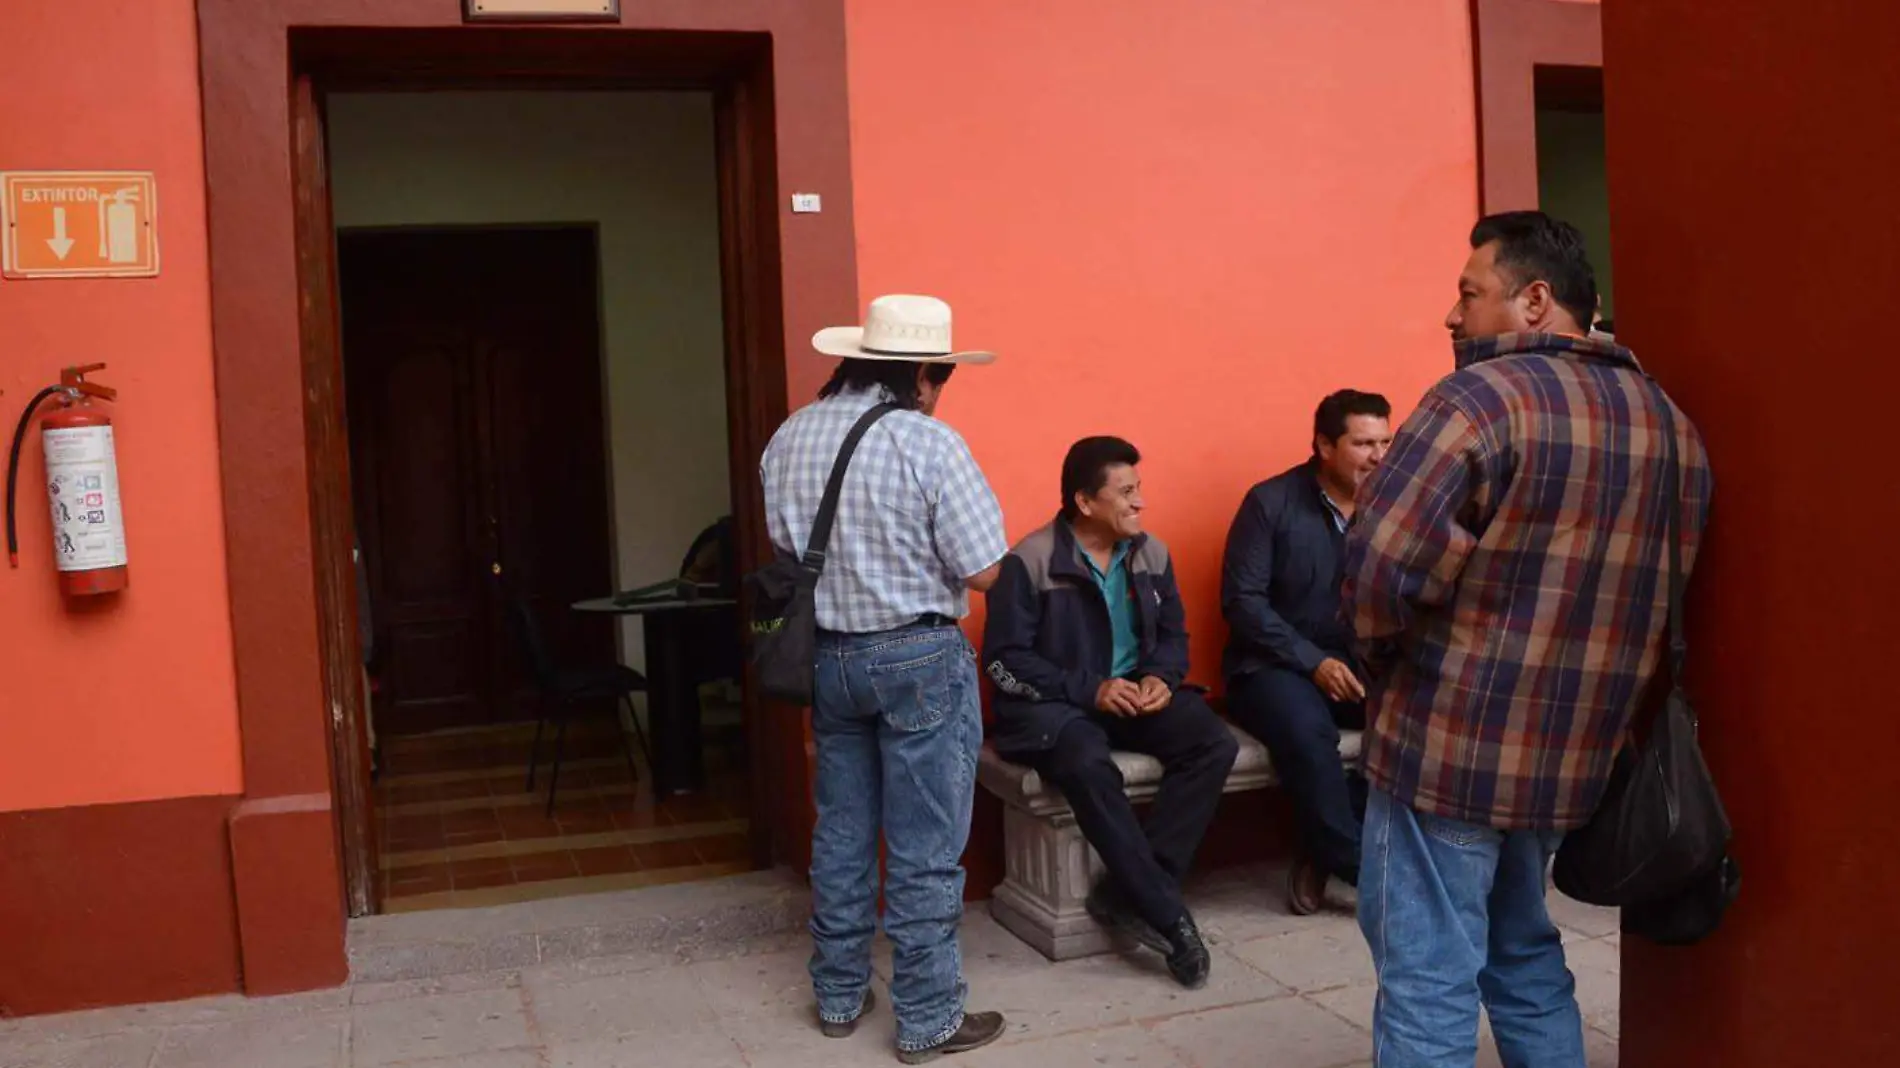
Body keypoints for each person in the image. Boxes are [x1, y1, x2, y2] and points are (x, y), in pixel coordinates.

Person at [1343, 211, 1711, 1068]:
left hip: (1450, 749)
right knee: (1525, 953)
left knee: (1428, 976)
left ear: (1535, 300)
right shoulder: (1670, 426)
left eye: (1469, 293)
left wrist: (1386, 663)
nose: (1452, 315)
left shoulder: (1477, 400)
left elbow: (1378, 572)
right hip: (1573, 758)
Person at [761, 294, 1010, 1064]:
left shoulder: (791, 436)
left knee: (840, 829)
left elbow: (786, 546)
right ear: (925, 375)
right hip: (918, 658)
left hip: (828, 658)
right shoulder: (928, 442)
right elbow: (985, 571)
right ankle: (929, 1014)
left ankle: (838, 994)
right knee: (925, 843)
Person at [983, 436, 1236, 989]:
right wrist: (1089, 689)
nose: (1139, 502)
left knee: (1213, 742)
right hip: (1054, 709)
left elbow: (1173, 637)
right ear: (1085, 501)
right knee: (1087, 761)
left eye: (1138, 489)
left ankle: (1131, 892)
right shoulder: (1029, 561)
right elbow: (1004, 662)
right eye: (1125, 492)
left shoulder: (1151, 553)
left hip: (1131, 698)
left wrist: (1160, 678)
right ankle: (1170, 917)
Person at [1220, 390, 1392, 915]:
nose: (1379, 456)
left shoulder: (1392, 505)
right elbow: (1242, 603)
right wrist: (1312, 662)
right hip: (1270, 666)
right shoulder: (1270, 503)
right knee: (1307, 731)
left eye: (1387, 441)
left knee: (1405, 718)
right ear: (1323, 444)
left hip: (1356, 661)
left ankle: (1321, 851)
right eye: (1364, 443)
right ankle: (1359, 867)